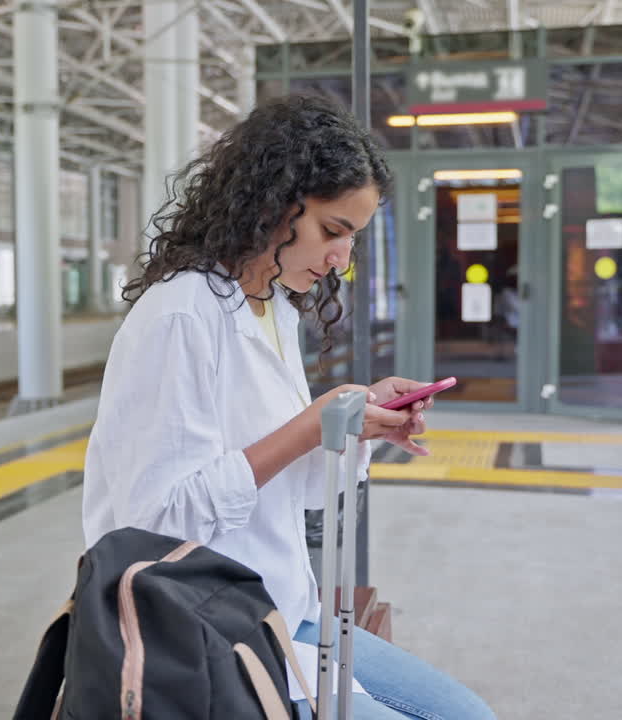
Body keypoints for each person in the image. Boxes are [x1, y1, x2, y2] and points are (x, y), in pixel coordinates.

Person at [82, 94, 496, 720]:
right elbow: (156, 523)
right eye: (332, 232)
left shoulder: (270, 306)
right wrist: (307, 427)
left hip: (280, 610)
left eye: (351, 239)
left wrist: (351, 431)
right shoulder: (180, 315)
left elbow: (293, 493)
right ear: (272, 203)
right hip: (202, 633)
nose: (340, 260)